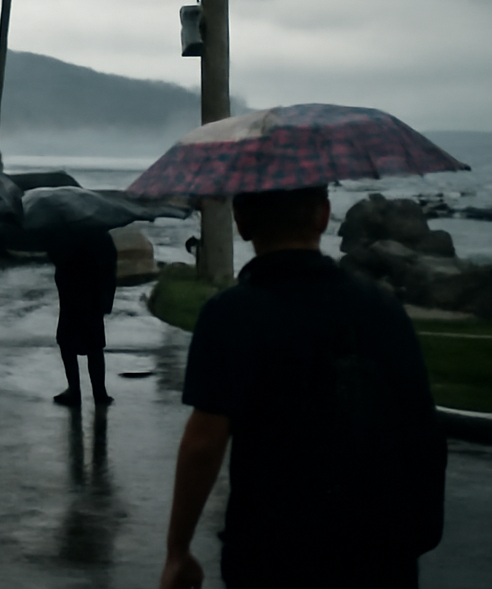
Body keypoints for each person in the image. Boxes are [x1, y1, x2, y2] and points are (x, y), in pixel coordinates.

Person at [159, 187, 446, 589]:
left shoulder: (230, 316)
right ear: (324, 215)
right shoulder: (382, 309)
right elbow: (422, 427)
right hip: (380, 554)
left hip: (272, 555)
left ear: (241, 222)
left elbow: (204, 444)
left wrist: (178, 550)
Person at [46, 230, 118, 407]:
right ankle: (99, 392)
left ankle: (75, 389)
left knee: (68, 343)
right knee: (94, 344)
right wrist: (108, 297)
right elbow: (111, 267)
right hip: (93, 296)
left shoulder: (65, 233)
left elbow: (55, 256)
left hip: (73, 295)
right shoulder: (101, 235)